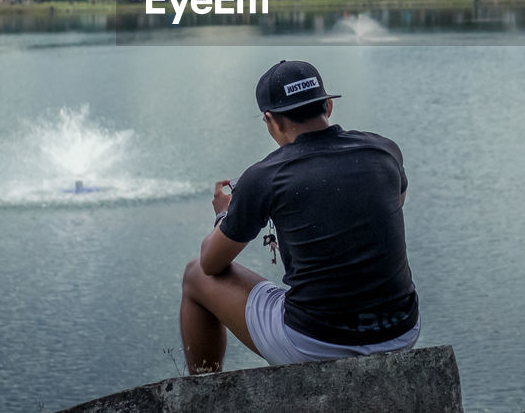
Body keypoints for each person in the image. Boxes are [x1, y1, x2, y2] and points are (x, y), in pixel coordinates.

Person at [179, 59, 419, 374]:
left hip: (316, 344)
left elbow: (212, 263)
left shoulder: (265, 175)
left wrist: (225, 215)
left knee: (194, 274)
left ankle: (203, 395)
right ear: (328, 106)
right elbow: (393, 204)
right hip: (401, 333)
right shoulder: (384, 152)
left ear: (271, 120)